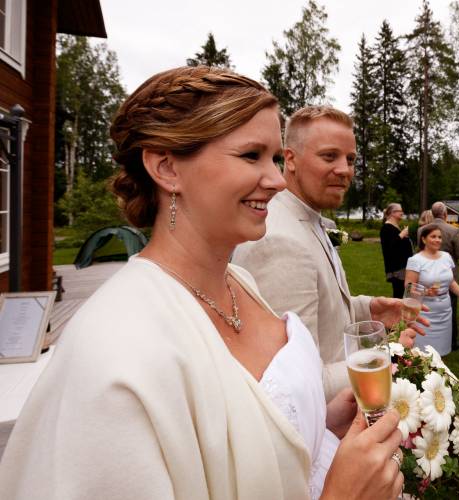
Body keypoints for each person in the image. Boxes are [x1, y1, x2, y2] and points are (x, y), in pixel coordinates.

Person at [0, 66, 404, 500]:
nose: (275, 181)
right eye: (251, 156)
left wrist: (316, 423)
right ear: (166, 167)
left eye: (273, 157)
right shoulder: (114, 351)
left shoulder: (238, 282)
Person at [232, 106, 417, 402]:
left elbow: (320, 307)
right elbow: (292, 386)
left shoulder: (306, 219)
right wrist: (386, 356)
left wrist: (367, 309)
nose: (345, 170)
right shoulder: (279, 241)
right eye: (329, 156)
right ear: (290, 159)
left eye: (350, 159)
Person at [405, 223, 459, 356]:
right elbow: (408, 286)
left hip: (445, 311)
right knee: (423, 353)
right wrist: (426, 292)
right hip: (424, 312)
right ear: (424, 239)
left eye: (440, 237)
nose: (437, 240)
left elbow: (451, 282)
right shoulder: (415, 260)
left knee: (441, 352)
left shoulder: (446, 257)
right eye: (433, 236)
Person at [419, 201, 459, 350]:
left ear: (432, 213)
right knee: (450, 307)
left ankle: (436, 337)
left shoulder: (422, 229)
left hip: (428, 274)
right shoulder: (453, 230)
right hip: (446, 273)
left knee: (434, 307)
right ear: (445, 214)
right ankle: (452, 340)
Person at [380, 203, 413, 298]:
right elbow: (390, 247)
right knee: (400, 295)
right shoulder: (386, 228)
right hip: (398, 269)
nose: (402, 213)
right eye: (400, 211)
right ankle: (400, 308)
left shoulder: (395, 227)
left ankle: (406, 307)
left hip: (406, 267)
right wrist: (402, 234)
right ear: (392, 213)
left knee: (407, 293)